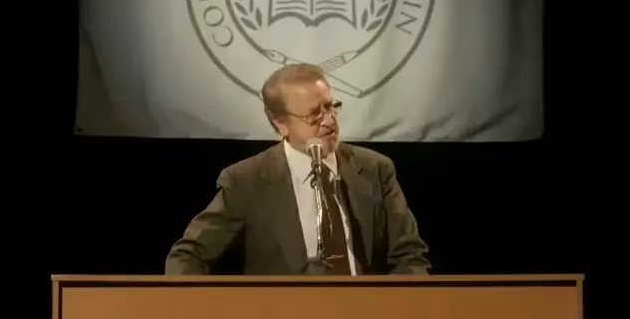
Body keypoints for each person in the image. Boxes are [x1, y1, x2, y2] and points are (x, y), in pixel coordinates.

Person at [164, 63, 431, 275]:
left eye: (331, 107)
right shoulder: (246, 181)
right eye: (314, 114)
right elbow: (189, 255)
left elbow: (409, 255)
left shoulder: (375, 169)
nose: (329, 121)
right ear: (280, 124)